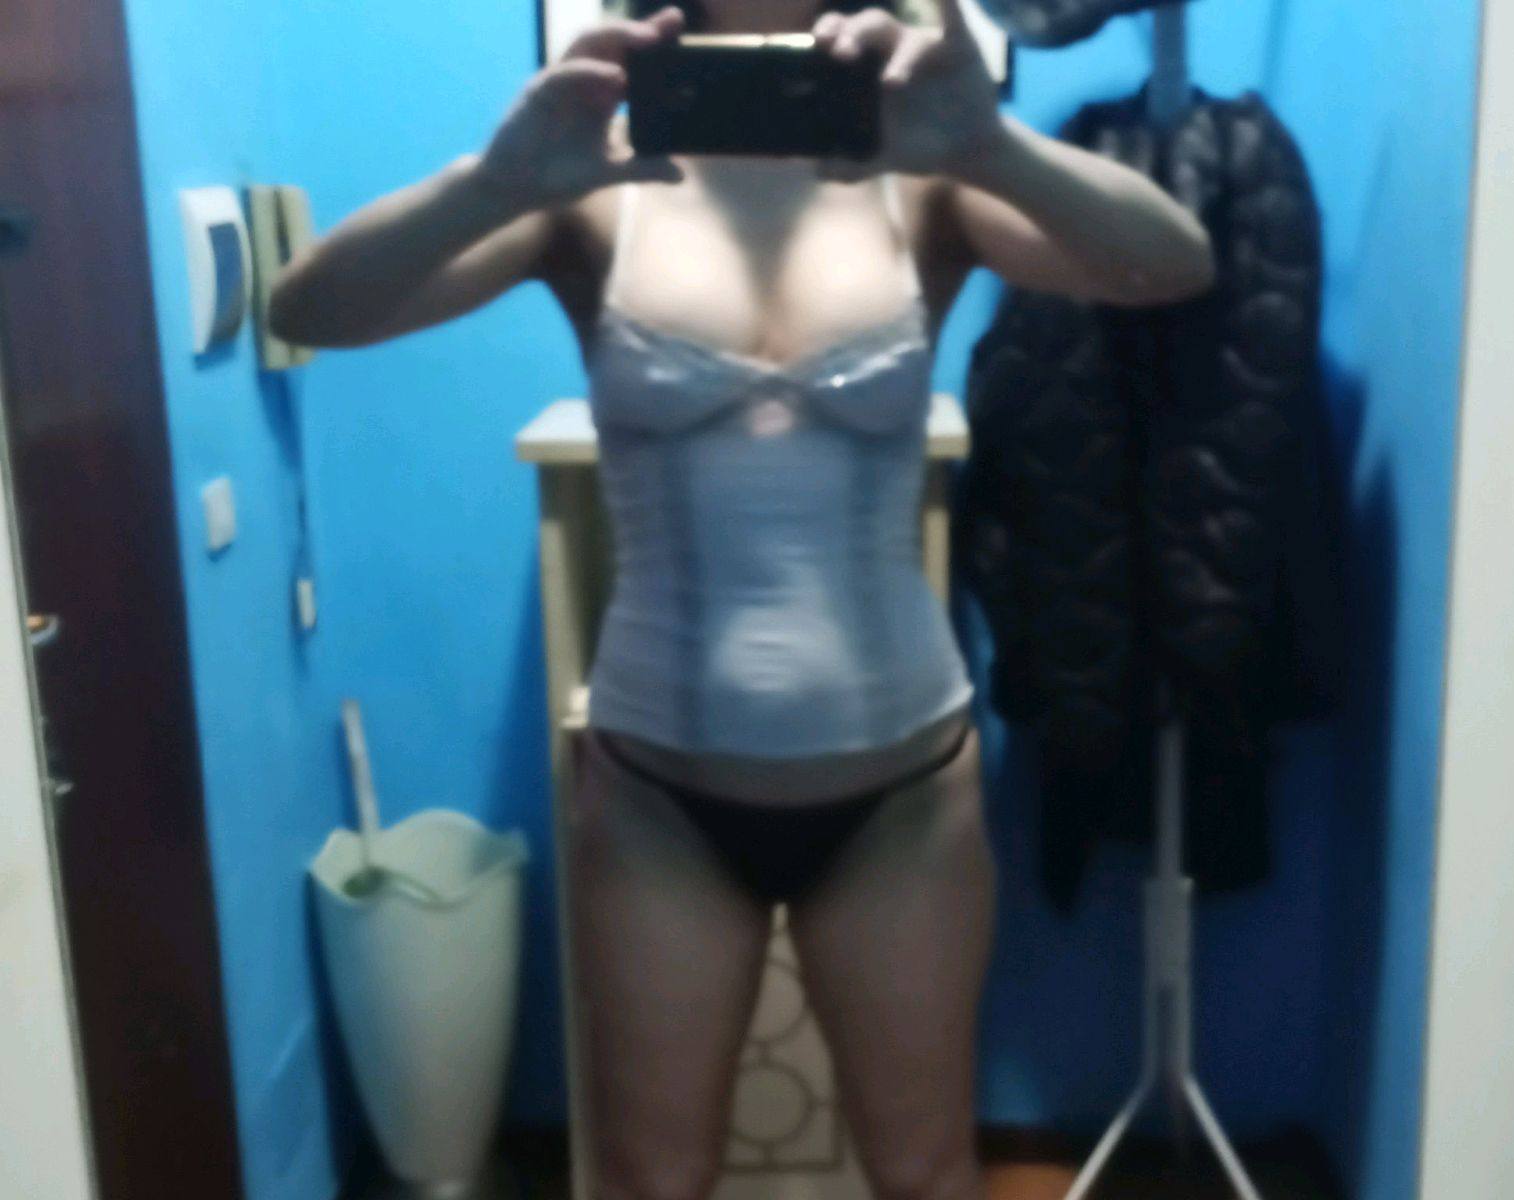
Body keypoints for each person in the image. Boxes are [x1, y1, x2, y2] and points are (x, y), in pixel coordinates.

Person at [269, 0, 1213, 1196]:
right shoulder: (594, 182)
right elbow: (309, 310)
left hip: (902, 797)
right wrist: (492, 181)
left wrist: (992, 147)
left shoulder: (920, 171)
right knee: (653, 1182)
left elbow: (1174, 263)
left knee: (924, 1173)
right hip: (657, 800)